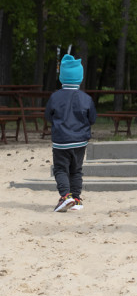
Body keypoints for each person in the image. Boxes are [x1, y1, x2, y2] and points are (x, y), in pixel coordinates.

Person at [45, 54, 97, 212]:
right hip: (80, 141)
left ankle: (65, 196)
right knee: (76, 169)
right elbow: (92, 118)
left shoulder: (55, 97)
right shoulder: (86, 98)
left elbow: (48, 116)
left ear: (62, 78)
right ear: (79, 78)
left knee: (60, 169)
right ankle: (76, 198)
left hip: (61, 141)